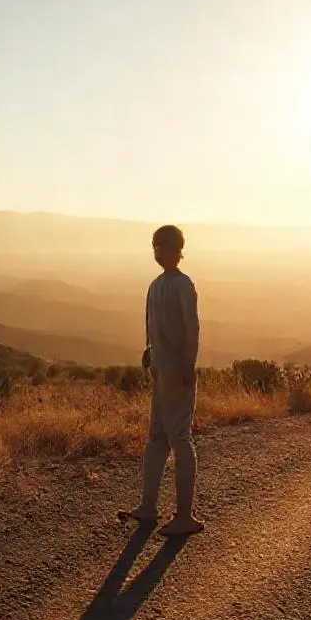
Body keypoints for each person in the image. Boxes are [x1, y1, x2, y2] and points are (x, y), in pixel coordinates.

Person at [119, 224, 204, 536]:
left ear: (177, 250)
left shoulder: (180, 285)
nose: (158, 252)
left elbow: (191, 329)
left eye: (163, 246)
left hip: (175, 371)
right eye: (155, 246)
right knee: (160, 437)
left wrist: (188, 365)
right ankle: (150, 507)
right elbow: (152, 324)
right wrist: (149, 351)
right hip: (163, 371)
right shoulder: (159, 285)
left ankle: (183, 516)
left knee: (177, 437)